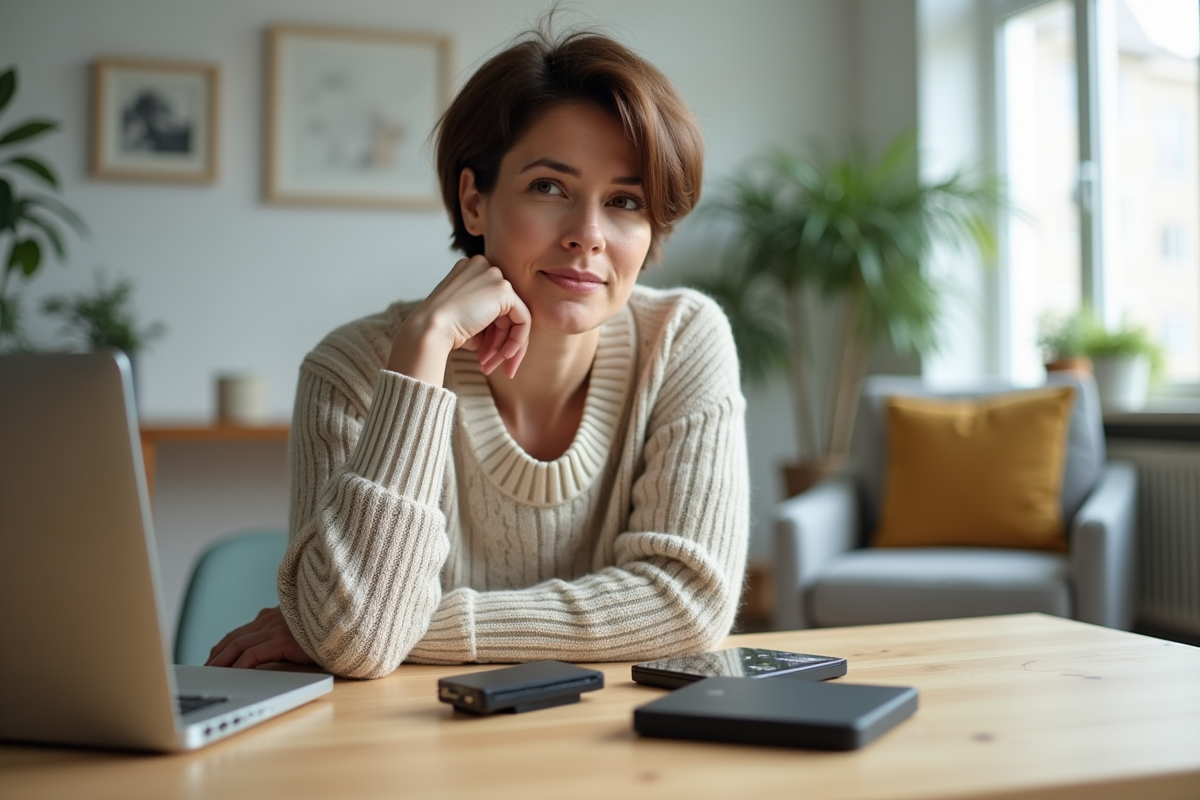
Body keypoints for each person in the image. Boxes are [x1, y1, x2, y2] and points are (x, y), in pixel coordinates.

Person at [206, 23, 749, 679]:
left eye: (625, 201)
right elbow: (354, 637)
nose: (588, 235)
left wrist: (399, 627)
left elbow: (687, 604)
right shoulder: (352, 368)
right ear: (474, 201)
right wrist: (423, 353)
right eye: (549, 186)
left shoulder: (683, 340)